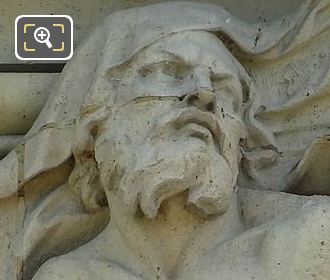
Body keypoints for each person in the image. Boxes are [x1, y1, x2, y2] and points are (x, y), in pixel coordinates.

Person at [22, 2, 330, 279]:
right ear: (96, 121)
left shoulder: (305, 241)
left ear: (241, 142)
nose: (205, 93)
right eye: (169, 72)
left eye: (225, 88)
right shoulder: (67, 275)